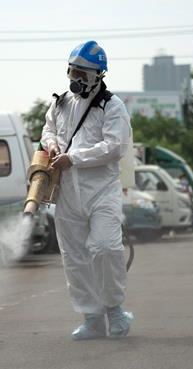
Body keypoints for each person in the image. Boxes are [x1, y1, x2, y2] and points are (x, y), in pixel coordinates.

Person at [41, 40, 134, 340]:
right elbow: (48, 130)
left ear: (98, 75)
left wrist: (74, 158)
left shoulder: (112, 106)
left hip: (101, 191)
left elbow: (114, 147)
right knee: (75, 257)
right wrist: (52, 144)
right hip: (67, 192)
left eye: (82, 74)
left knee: (105, 248)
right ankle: (91, 317)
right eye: (72, 72)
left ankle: (115, 309)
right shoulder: (60, 103)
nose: (75, 79)